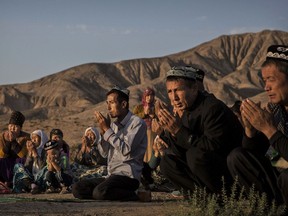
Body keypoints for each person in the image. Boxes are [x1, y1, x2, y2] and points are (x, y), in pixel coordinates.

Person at [156, 65, 243, 196]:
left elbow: (211, 147)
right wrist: (170, 134)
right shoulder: (186, 110)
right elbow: (181, 152)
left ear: (194, 88)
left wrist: (179, 130)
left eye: (178, 90)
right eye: (170, 91)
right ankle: (203, 198)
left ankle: (223, 196)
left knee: (194, 155)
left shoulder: (212, 108)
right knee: (167, 163)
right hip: (202, 167)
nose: (174, 97)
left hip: (227, 171)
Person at [227, 45, 288, 206]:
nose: (266, 87)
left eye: (271, 79)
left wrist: (270, 130)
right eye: (265, 80)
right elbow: (261, 154)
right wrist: (250, 131)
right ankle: (269, 208)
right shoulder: (275, 109)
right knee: (237, 156)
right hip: (281, 173)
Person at [72, 85, 148, 201]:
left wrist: (108, 130)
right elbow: (104, 153)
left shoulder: (137, 123)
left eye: (111, 103)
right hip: (111, 176)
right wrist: (103, 133)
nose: (108, 107)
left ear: (123, 104)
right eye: (107, 103)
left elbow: (126, 150)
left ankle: (137, 195)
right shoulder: (113, 126)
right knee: (78, 188)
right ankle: (105, 193)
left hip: (128, 177)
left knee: (100, 192)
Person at [133, 87, 157, 189]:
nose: (149, 98)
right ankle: (143, 176)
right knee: (143, 153)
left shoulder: (156, 107)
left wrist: (152, 115)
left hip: (153, 133)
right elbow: (133, 119)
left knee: (152, 151)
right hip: (141, 133)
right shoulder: (138, 107)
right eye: (147, 96)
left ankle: (152, 174)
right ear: (144, 96)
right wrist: (144, 113)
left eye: (151, 95)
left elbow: (161, 117)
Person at [13, 130, 48, 194]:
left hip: (41, 179)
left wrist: (35, 154)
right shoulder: (31, 150)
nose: (33, 140)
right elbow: (27, 168)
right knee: (18, 166)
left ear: (42, 139)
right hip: (31, 180)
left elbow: (42, 168)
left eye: (35, 138)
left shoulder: (46, 151)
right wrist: (30, 154)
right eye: (32, 138)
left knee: (46, 169)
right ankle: (32, 185)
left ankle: (35, 187)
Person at [0, 111, 30, 187]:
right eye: (11, 125)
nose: (12, 128)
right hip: (5, 164)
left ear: (20, 128)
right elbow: (2, 155)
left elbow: (23, 155)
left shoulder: (26, 137)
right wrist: (8, 142)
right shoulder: (2, 136)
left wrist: (13, 141)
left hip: (18, 163)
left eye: (16, 126)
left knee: (22, 161)